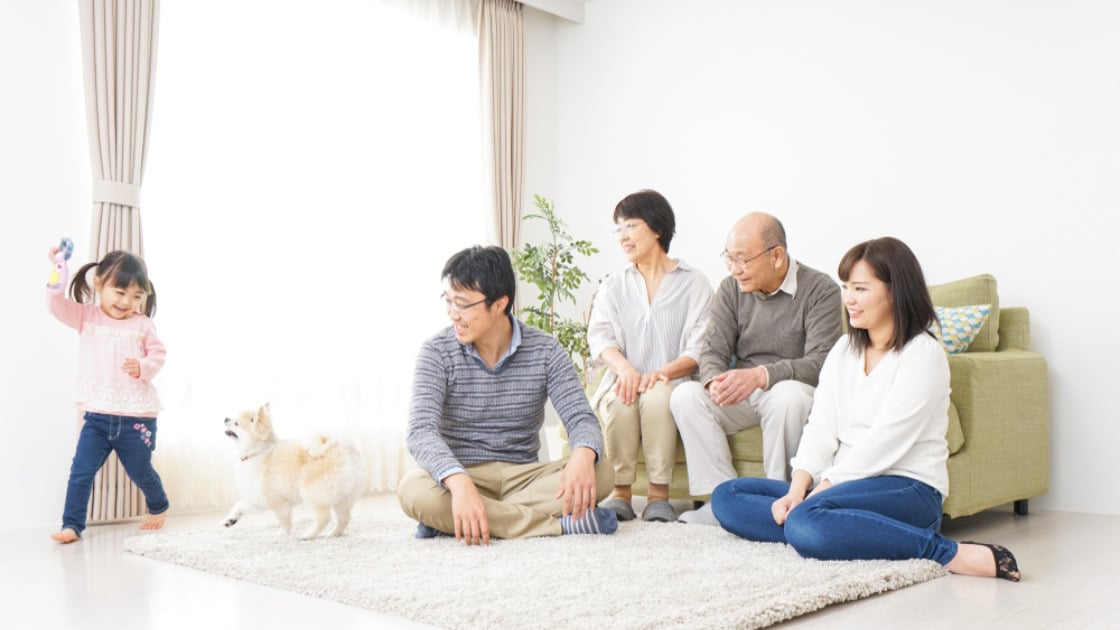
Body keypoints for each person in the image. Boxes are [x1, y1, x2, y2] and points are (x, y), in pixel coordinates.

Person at [710, 237, 1021, 581]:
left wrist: (822, 490)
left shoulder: (922, 355)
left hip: (907, 488)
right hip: (839, 487)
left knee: (805, 519)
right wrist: (799, 490)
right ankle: (835, 529)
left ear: (895, 291)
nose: (848, 300)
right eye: (845, 287)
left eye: (860, 288)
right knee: (728, 496)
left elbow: (886, 443)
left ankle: (945, 552)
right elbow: (821, 426)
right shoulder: (844, 349)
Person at [398, 245, 617, 545]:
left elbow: (581, 417)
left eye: (462, 305)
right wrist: (459, 484)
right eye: (448, 302)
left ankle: (451, 521)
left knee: (601, 471)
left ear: (499, 304)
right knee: (413, 490)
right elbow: (421, 431)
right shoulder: (436, 352)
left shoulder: (546, 350)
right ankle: (561, 526)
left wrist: (582, 455)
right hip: (464, 474)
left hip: (523, 477)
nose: (453, 315)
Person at [670, 213, 842, 524]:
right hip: (743, 392)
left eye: (742, 260)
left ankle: (779, 499)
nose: (734, 269)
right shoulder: (731, 289)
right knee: (685, 395)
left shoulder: (821, 290)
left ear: (777, 256)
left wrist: (763, 375)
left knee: (788, 397)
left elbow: (821, 363)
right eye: (729, 258)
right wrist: (713, 382)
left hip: (790, 389)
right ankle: (722, 501)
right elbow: (712, 351)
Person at [586, 190, 712, 523]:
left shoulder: (694, 282)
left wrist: (661, 374)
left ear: (656, 228)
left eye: (630, 225)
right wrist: (626, 371)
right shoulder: (614, 285)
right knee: (619, 400)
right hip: (623, 378)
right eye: (618, 229)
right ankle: (621, 493)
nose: (622, 236)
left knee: (657, 399)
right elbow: (599, 337)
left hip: (674, 379)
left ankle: (658, 495)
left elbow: (700, 346)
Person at [46, 245, 169, 543]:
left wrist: (141, 366)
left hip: (136, 418)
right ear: (99, 284)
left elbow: (159, 355)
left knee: (141, 470)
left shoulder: (142, 324)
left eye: (137, 296)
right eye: (120, 292)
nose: (127, 302)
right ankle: (71, 526)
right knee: (81, 472)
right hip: (98, 417)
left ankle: (159, 505)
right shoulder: (86, 317)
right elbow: (55, 305)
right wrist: (59, 269)